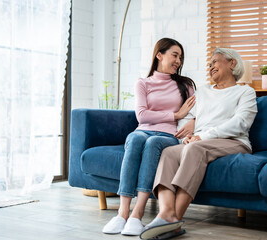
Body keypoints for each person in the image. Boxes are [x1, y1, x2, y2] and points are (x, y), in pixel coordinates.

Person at [140, 48, 258, 240]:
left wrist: (203, 136)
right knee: (169, 152)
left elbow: (241, 123)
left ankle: (174, 220)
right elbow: (186, 117)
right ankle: (166, 213)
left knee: (195, 148)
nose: (211, 66)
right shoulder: (202, 91)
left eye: (215, 62)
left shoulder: (245, 91)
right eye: (210, 64)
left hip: (233, 142)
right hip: (200, 141)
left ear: (232, 63)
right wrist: (185, 137)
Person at [102, 38, 196, 236]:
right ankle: (122, 213)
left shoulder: (185, 85)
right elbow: (141, 116)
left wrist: (189, 122)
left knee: (153, 142)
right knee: (136, 139)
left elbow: (196, 113)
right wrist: (174, 114)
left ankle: (137, 213)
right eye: (174, 55)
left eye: (180, 57)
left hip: (168, 135)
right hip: (142, 130)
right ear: (159, 55)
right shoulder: (143, 83)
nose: (178, 61)